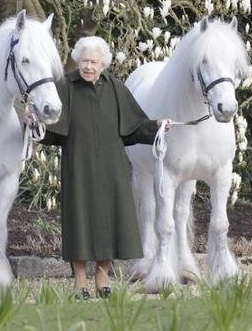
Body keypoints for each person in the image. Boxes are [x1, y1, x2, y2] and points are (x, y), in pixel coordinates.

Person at [39, 36, 172, 299]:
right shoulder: (64, 86)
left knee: (112, 222)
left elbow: (134, 127)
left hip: (112, 169)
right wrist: (33, 123)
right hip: (78, 167)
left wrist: (158, 126)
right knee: (79, 222)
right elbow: (49, 129)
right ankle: (80, 282)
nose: (88, 66)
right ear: (78, 61)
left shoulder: (116, 88)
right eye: (84, 60)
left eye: (94, 62)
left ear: (103, 64)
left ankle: (102, 278)